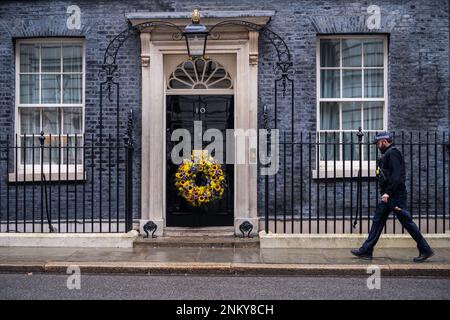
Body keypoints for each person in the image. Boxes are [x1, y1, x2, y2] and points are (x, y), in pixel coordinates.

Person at [351, 132, 434, 263]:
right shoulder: (388, 154)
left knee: (407, 222)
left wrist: (387, 193)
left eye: (378, 143)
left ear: (384, 141)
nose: (377, 146)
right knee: (377, 221)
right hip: (389, 196)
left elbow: (396, 177)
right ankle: (366, 250)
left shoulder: (393, 153)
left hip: (395, 196)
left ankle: (425, 249)